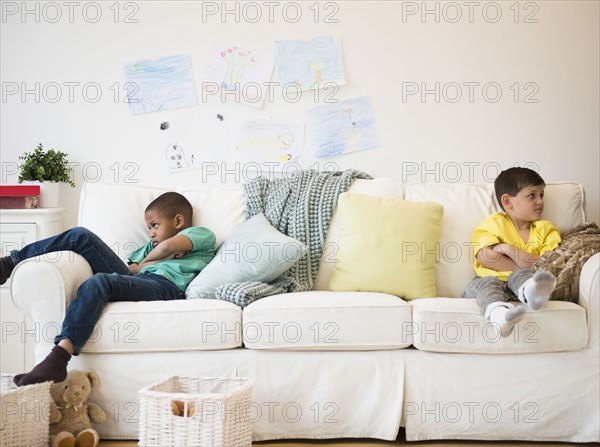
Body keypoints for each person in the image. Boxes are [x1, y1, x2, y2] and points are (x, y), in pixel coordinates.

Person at [0, 192, 215, 386]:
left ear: (178, 221)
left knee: (99, 281)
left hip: (165, 287)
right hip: (139, 279)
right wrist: (146, 263)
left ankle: (57, 358)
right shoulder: (151, 246)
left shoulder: (201, 234)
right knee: (81, 235)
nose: (151, 233)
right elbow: (131, 268)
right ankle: (9, 263)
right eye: (149, 228)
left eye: (155, 225)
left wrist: (150, 261)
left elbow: (167, 247)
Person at [462, 167, 561, 337]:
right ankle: (500, 316)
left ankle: (531, 293)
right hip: (486, 282)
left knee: (523, 275)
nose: (540, 201)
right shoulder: (493, 224)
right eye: (532, 195)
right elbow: (486, 257)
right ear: (507, 202)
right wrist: (523, 261)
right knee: (488, 283)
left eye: (541, 195)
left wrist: (507, 249)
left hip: (520, 284)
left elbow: (544, 263)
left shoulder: (546, 229)